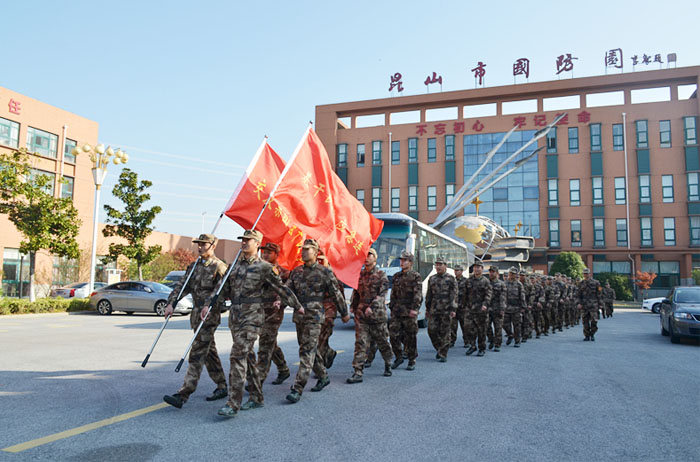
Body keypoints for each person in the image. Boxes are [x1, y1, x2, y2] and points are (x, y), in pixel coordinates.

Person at [216, 230, 302, 418]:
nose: (244, 243)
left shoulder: (264, 267)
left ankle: (233, 403)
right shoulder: (234, 266)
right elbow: (222, 290)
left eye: (248, 240)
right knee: (247, 356)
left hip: (253, 317)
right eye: (243, 240)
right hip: (235, 317)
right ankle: (256, 397)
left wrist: (297, 305)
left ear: (257, 244)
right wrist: (210, 305)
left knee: (237, 355)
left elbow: (281, 288)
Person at [163, 233, 229, 409]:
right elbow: (182, 286)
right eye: (199, 244)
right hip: (196, 313)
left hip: (209, 315)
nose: (200, 247)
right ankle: (222, 385)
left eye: (204, 244)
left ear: (213, 246)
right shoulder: (194, 266)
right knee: (209, 351)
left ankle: (184, 393)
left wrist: (209, 305)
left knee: (197, 352)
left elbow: (221, 291)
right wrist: (171, 303)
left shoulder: (219, 267)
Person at [286, 239, 349, 402]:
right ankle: (323, 376)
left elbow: (336, 293)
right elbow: (287, 291)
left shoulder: (324, 272)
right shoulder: (296, 272)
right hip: (299, 316)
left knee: (306, 351)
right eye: (302, 249)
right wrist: (280, 301)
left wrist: (344, 312)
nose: (303, 252)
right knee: (308, 348)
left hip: (315, 317)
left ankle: (297, 388)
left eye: (307, 249)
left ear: (316, 252)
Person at [347, 248, 394, 382]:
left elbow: (382, 294)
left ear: (375, 258)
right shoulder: (360, 275)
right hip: (361, 315)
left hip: (377, 316)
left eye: (370, 255)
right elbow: (356, 293)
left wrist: (371, 307)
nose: (366, 258)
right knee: (360, 343)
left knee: (382, 342)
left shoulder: (381, 275)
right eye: (365, 255)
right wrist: (353, 306)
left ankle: (388, 363)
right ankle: (358, 372)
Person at [255, 242, 291, 386]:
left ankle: (258, 379)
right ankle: (283, 369)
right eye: (264, 252)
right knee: (270, 342)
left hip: (274, 312)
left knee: (265, 343)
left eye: (269, 252)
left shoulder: (283, 273)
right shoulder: (258, 270)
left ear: (277, 255)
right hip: (259, 311)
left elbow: (288, 292)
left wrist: (281, 302)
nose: (265, 255)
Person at [388, 250, 423, 371]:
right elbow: (393, 294)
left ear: (411, 262)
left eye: (405, 260)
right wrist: (392, 307)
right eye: (401, 260)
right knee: (393, 335)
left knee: (410, 337)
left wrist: (415, 309)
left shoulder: (415, 276)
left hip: (409, 311)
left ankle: (412, 359)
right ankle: (399, 357)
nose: (402, 262)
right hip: (397, 311)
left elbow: (418, 294)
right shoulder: (396, 276)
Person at [425, 255, 457, 362]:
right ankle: (440, 348)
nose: (438, 267)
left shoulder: (451, 279)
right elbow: (429, 295)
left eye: (440, 264)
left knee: (445, 332)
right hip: (434, 309)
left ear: (445, 266)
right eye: (436, 265)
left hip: (446, 309)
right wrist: (427, 309)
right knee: (431, 330)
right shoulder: (432, 278)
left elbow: (454, 295)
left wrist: (453, 309)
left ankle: (443, 354)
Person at [315, 251, 344, 370]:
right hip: (316, 311)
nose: (320, 262)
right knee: (319, 339)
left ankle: (320, 367)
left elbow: (339, 294)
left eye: (322, 260)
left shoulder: (332, 275)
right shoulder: (313, 273)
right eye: (318, 260)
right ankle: (328, 353)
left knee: (321, 339)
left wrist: (343, 311)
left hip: (329, 311)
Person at [466, 261, 492, 357]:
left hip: (481, 310)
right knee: (469, 328)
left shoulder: (486, 281)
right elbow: (465, 294)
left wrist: (485, 304)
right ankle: (472, 346)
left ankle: (482, 348)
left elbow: (488, 295)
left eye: (478, 267)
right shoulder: (469, 280)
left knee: (482, 330)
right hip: (470, 309)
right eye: (475, 267)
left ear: (482, 269)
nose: (476, 269)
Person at [503, 267, 527, 347]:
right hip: (506, 307)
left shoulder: (519, 284)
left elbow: (522, 296)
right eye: (510, 273)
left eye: (513, 274)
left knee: (517, 326)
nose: (511, 275)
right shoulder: (505, 283)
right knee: (505, 324)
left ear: (516, 275)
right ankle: (510, 334)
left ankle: (517, 341)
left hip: (516, 307)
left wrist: (523, 307)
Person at [578, 268, 603, 341]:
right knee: (585, 321)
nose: (586, 275)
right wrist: (579, 303)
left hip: (593, 305)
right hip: (584, 305)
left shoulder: (596, 283)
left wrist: (600, 303)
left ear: (590, 274)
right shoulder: (581, 283)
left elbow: (600, 293)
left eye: (587, 273)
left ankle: (592, 333)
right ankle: (587, 335)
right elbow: (578, 295)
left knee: (594, 321)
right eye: (584, 273)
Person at [486, 266, 506, 352]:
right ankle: (491, 339)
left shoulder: (501, 284)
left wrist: (502, 309)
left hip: (497, 308)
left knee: (498, 327)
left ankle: (497, 344)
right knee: (486, 326)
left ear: (497, 273)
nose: (491, 273)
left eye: (493, 272)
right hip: (487, 308)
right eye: (490, 272)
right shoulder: (486, 283)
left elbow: (503, 298)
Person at [450, 264, 469, 348]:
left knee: (465, 326)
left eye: (458, 270)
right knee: (453, 326)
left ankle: (467, 341)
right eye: (455, 270)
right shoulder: (452, 281)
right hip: (454, 307)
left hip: (463, 307)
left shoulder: (466, 281)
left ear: (461, 271)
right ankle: (452, 340)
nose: (456, 272)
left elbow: (469, 294)